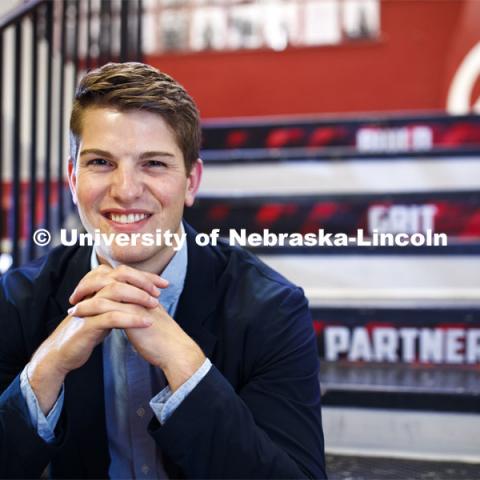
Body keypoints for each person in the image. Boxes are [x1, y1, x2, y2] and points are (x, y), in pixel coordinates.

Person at [0, 62, 326, 479]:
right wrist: (47, 367)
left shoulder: (272, 310)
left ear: (191, 182)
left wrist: (186, 365)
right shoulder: (17, 301)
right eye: (101, 162)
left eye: (153, 163)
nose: (126, 190)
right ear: (71, 177)